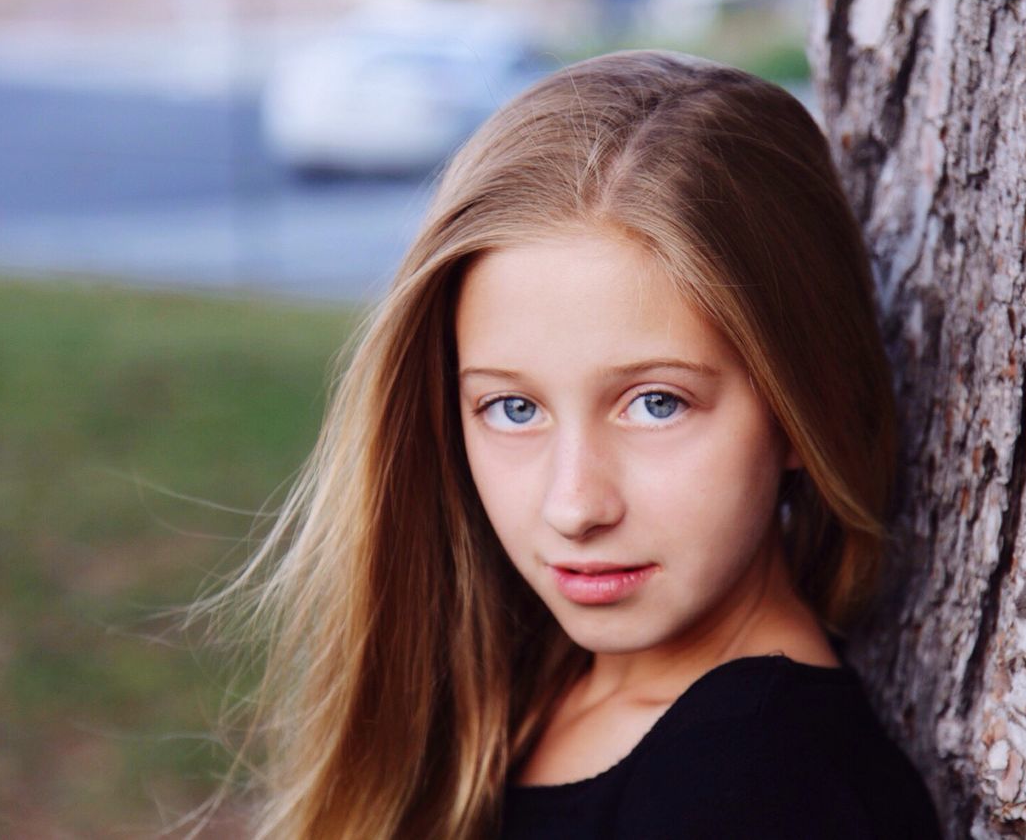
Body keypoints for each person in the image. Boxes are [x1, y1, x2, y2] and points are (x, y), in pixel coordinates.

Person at [206, 49, 941, 838]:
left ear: (804, 404)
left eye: (656, 403)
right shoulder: (519, 690)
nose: (573, 505)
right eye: (513, 408)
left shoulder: (758, 789)